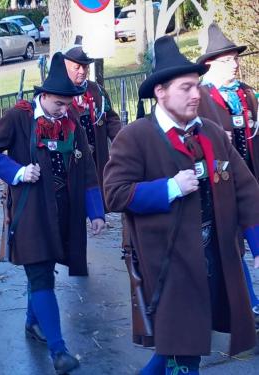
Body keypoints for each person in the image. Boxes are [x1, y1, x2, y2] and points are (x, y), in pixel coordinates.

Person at [103, 36, 259, 375]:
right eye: (186, 87)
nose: (196, 94)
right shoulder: (136, 136)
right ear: (160, 92)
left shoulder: (212, 133)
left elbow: (246, 190)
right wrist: (169, 188)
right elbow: (114, 194)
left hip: (212, 260)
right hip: (166, 265)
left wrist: (257, 243)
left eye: (197, 86)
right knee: (184, 351)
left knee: (182, 346)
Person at [0, 52, 106, 375]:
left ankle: (31, 321)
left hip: (64, 213)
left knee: (44, 272)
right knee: (40, 273)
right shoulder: (19, 118)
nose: (64, 110)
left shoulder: (72, 121)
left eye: (68, 104)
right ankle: (59, 351)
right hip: (31, 213)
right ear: (44, 95)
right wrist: (19, 172)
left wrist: (95, 211)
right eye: (59, 104)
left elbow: (88, 169)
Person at [197, 23, 259, 323]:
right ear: (209, 64)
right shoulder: (199, 98)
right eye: (226, 60)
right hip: (218, 186)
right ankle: (250, 307)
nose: (234, 65)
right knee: (231, 248)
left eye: (235, 58)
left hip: (249, 182)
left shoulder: (246, 95)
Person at [63, 36, 122, 197]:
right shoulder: (58, 94)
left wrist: (122, 141)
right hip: (72, 157)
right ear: (65, 67)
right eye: (77, 67)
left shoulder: (96, 90)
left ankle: (97, 217)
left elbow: (110, 118)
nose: (82, 71)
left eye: (85, 67)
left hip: (97, 155)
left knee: (97, 188)